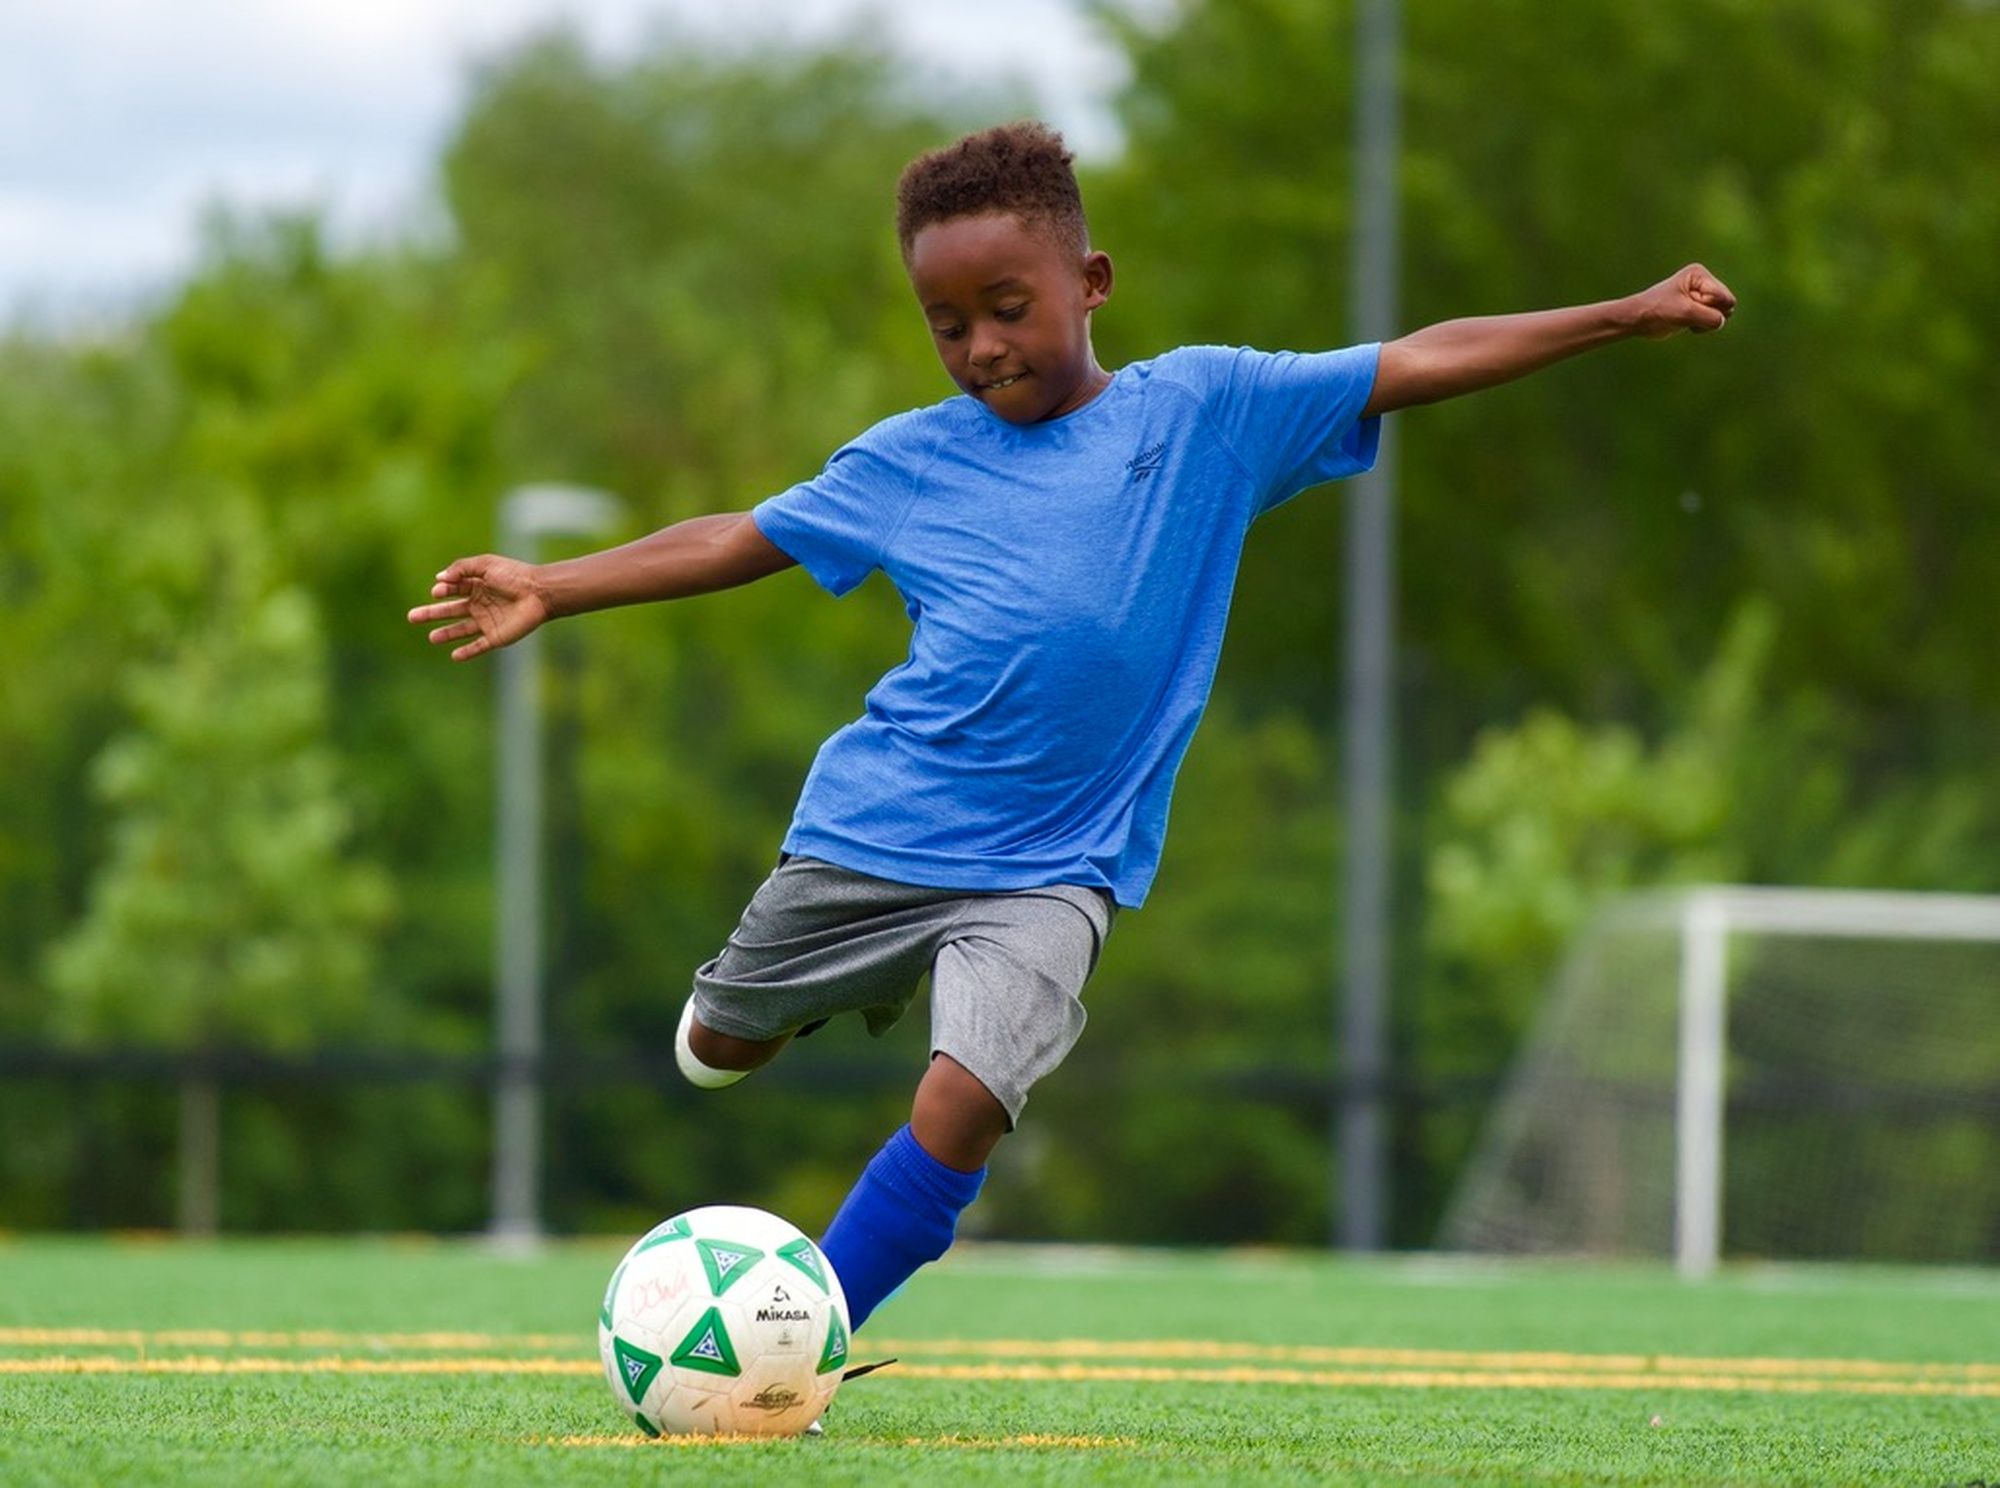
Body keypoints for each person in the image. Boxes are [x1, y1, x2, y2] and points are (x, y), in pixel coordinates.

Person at [408, 121, 1734, 1333]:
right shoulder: (910, 461)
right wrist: (555, 585)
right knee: (716, 1055)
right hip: (880, 829)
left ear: (1091, 283)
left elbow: (1416, 357)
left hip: (1057, 868)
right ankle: (835, 988)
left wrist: (1624, 314)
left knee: (969, 1096)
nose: (980, 347)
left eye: (1005, 309)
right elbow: (740, 536)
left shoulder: (1207, 412)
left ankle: (805, 1335)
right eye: (946, 325)